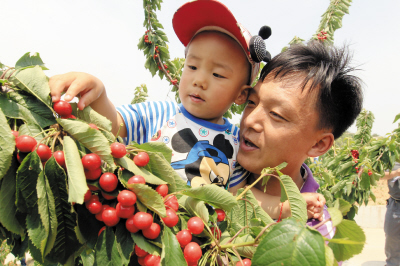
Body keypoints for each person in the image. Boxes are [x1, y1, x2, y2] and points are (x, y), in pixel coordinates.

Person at [49, 0, 324, 220]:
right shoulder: (161, 112)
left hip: (192, 240)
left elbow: (241, 197)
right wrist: (98, 92)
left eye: (217, 74)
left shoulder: (235, 144)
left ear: (241, 95)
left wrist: (288, 206)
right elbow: (114, 125)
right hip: (138, 222)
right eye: (192, 66)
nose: (199, 79)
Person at [230, 40, 363, 234]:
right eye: (251, 102)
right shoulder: (214, 163)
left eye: (276, 114)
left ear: (319, 144)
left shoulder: (314, 235)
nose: (250, 120)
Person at [382, 162, 400, 266]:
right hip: (395, 205)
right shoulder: (391, 155)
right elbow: (378, 175)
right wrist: (395, 173)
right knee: (391, 237)